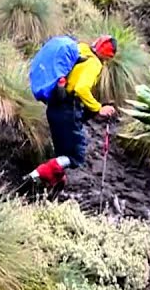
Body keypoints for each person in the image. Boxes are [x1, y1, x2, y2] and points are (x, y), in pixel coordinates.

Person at [28, 35, 118, 186]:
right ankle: (35, 176)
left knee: (62, 154)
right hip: (68, 109)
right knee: (76, 156)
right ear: (109, 56)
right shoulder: (94, 63)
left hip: (55, 106)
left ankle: (48, 186)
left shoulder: (81, 49)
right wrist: (98, 108)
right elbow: (81, 88)